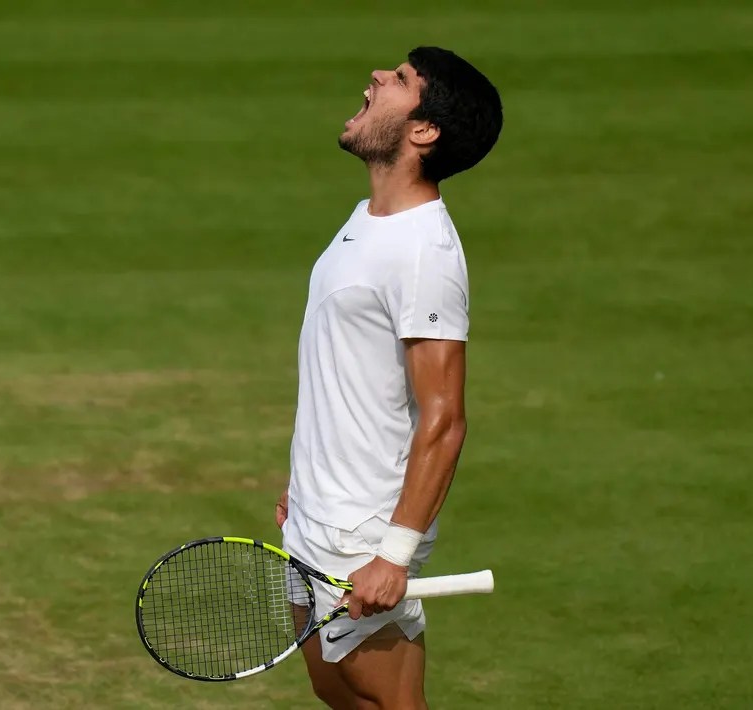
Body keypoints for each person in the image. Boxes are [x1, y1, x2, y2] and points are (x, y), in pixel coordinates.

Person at [275, 46, 503, 709]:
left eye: (401, 80)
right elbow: (348, 369)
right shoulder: (369, 221)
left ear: (423, 130)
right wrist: (305, 479)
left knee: (389, 703)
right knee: (336, 692)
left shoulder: (423, 252)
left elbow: (445, 417)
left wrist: (394, 554)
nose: (378, 76)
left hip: (363, 529)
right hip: (320, 508)